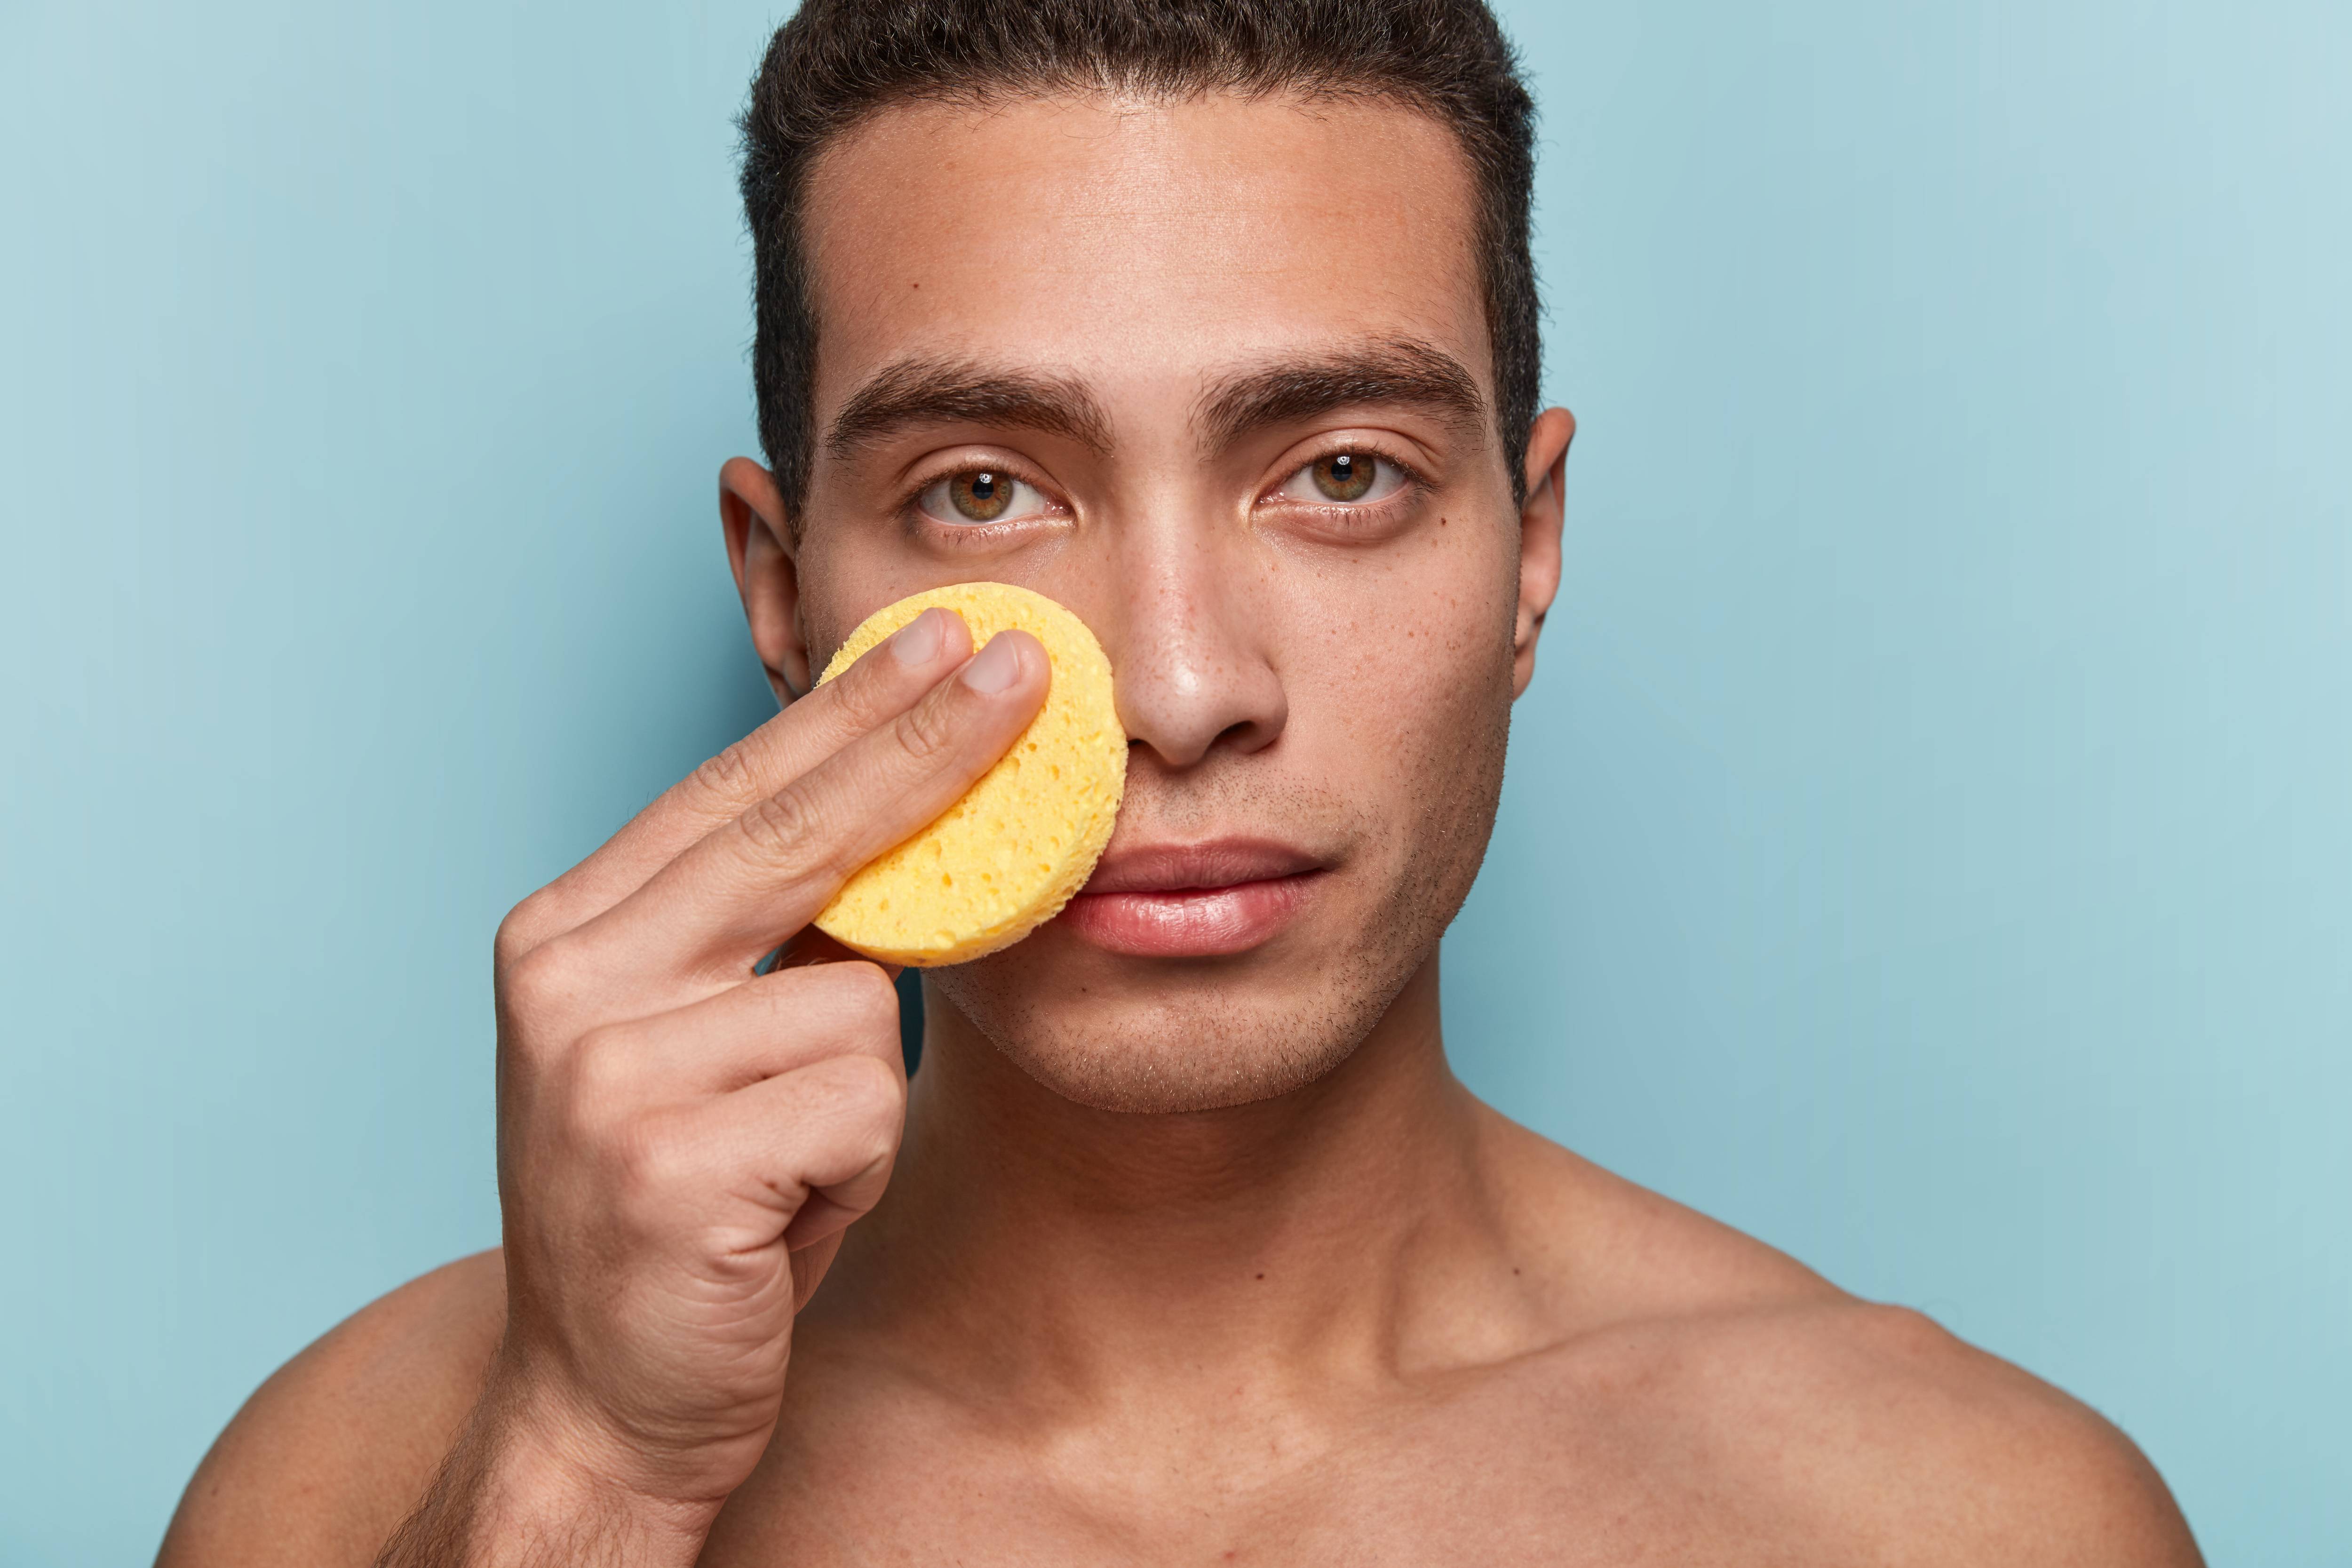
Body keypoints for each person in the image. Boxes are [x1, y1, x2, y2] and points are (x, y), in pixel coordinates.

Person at [158, 2, 2204, 1562]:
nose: (1179, 685)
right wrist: (583, 1481)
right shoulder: (370, 1486)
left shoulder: (1953, 1519)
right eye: (984, 491)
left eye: (1338, 476)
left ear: (1530, 551)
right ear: (785, 604)